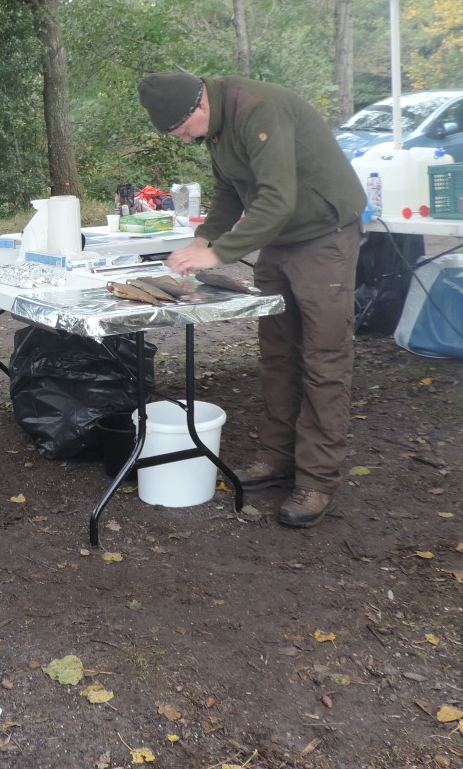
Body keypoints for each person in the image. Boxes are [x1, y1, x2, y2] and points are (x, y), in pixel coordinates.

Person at [138, 70, 366, 529]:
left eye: (182, 130)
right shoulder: (217, 127)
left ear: (199, 104)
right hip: (278, 239)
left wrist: (218, 254)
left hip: (324, 233)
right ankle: (277, 457)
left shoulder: (259, 109)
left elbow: (278, 198)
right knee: (277, 352)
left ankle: (317, 479)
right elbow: (230, 190)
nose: (185, 140)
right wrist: (203, 239)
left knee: (323, 357)